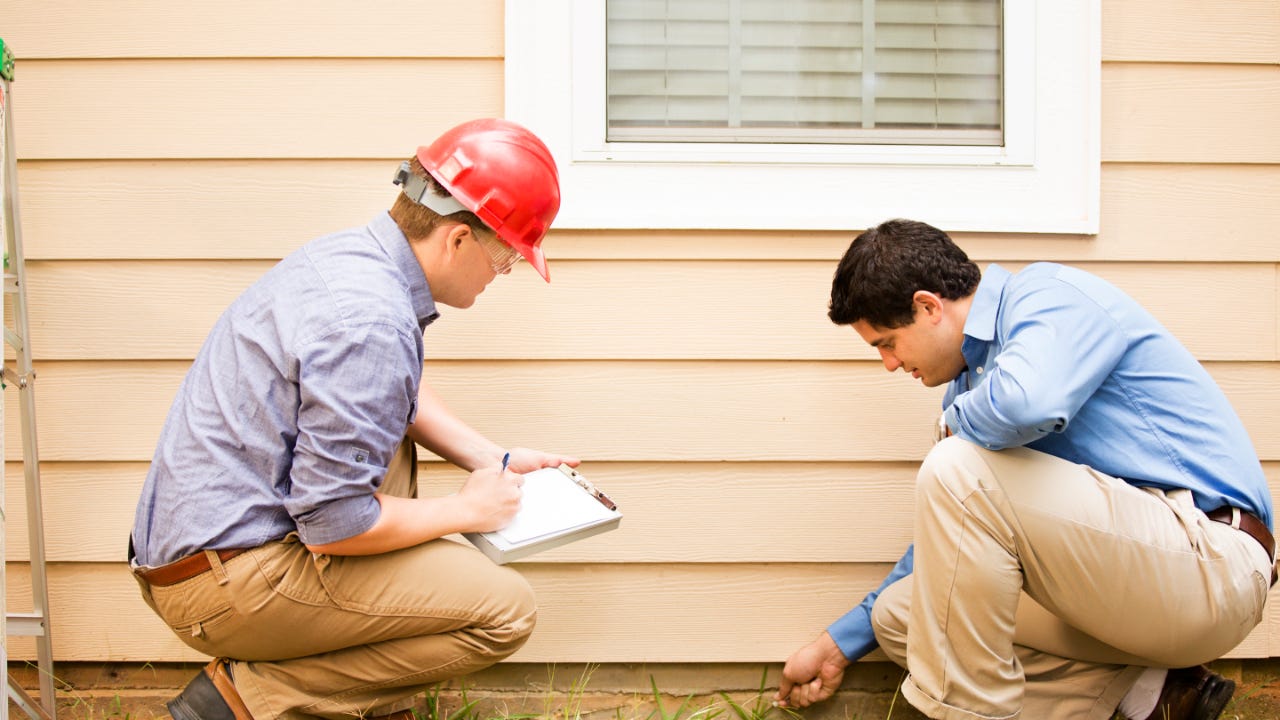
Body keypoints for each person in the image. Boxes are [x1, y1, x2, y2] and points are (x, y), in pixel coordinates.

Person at [130, 118, 577, 720]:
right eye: (507, 258)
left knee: (387, 446)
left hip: (203, 549)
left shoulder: (353, 258)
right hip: (223, 584)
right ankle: (241, 701)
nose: (504, 274)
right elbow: (335, 524)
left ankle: (356, 701)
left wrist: (490, 459)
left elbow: (394, 396)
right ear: (458, 239)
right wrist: (468, 510)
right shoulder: (369, 323)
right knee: (505, 612)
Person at [774, 219, 1276, 720]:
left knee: (955, 467)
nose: (888, 363)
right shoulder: (970, 394)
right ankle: (1149, 695)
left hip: (1210, 563)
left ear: (928, 306)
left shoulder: (1046, 297)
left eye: (887, 342)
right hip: (1133, 596)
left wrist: (953, 428)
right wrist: (837, 646)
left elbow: (1031, 403)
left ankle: (969, 715)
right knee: (903, 615)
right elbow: (947, 553)